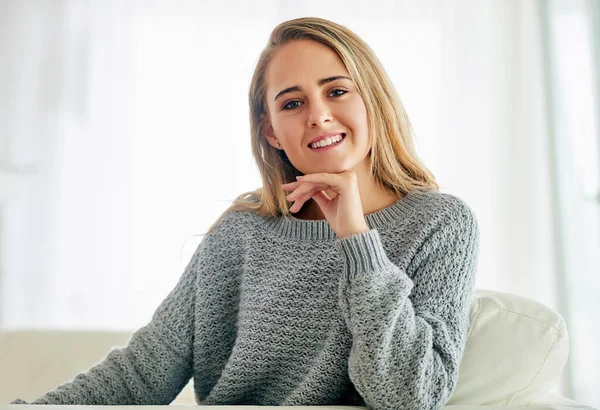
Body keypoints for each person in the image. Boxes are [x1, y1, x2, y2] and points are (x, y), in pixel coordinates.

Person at [12, 17, 479, 410]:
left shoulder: (439, 223)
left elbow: (410, 395)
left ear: (373, 102)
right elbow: (141, 374)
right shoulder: (243, 232)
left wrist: (357, 239)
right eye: (292, 103)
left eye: (337, 91)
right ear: (272, 132)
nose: (318, 115)